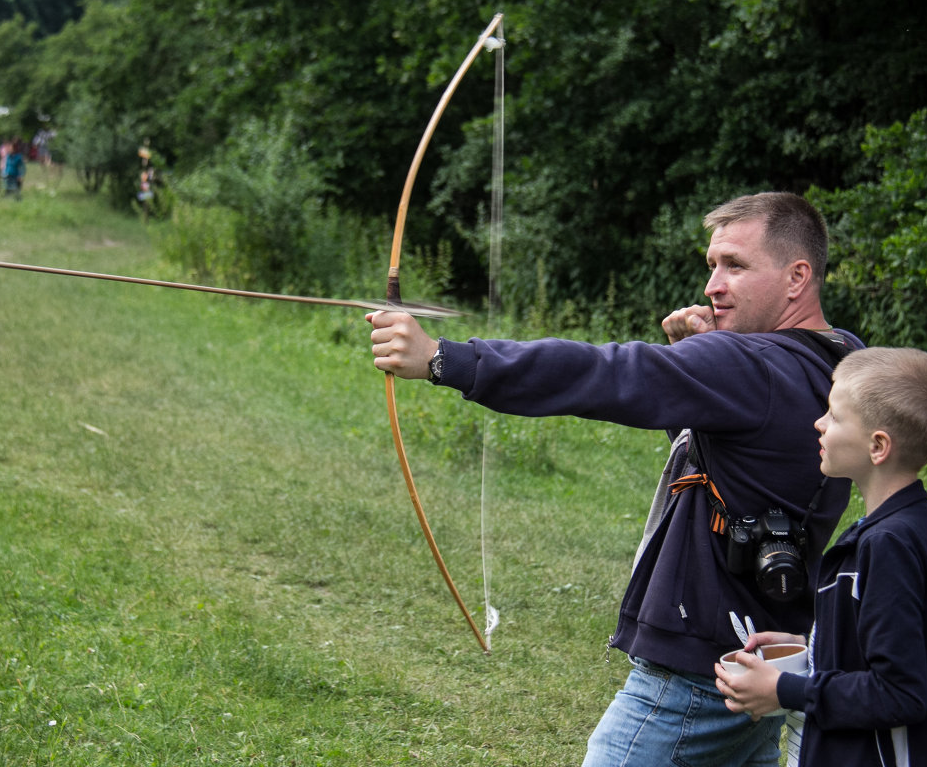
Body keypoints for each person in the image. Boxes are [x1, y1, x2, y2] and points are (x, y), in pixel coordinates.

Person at [369, 191, 865, 766]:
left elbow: (608, 373)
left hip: (693, 673)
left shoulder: (749, 365)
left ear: (797, 277)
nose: (713, 285)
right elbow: (740, 457)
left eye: (736, 265)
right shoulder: (840, 361)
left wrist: (443, 359)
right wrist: (702, 371)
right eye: (712, 266)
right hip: (758, 656)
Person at [713, 347, 927, 767]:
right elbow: (892, 639)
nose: (819, 423)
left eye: (833, 415)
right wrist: (814, 645)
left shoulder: (888, 544)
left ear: (878, 446)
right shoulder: (915, 522)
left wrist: (786, 690)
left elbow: (900, 693)